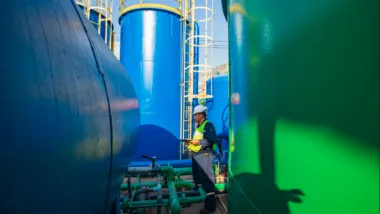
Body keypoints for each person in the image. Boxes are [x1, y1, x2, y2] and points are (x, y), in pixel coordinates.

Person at [186, 105, 217, 214]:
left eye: (196, 115)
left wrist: (198, 142)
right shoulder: (199, 126)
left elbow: (211, 139)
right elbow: (198, 141)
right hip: (197, 156)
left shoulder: (208, 125)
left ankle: (210, 207)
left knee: (207, 181)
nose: (194, 117)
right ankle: (198, 197)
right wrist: (190, 143)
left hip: (204, 156)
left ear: (201, 115)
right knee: (198, 179)